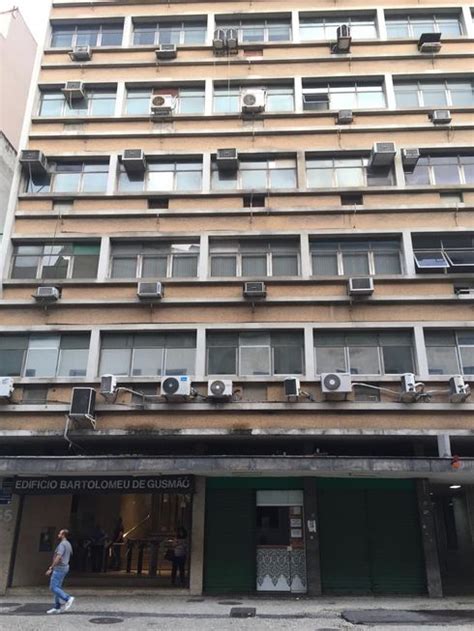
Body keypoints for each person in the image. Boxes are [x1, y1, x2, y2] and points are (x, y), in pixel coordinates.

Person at [46, 529, 75, 614]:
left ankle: (67, 598)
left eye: (59, 533)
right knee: (57, 587)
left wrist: (51, 567)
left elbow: (58, 557)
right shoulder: (69, 544)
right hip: (65, 567)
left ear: (63, 535)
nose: (58, 535)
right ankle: (57, 607)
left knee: (53, 587)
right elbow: (70, 554)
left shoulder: (62, 544)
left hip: (59, 568)